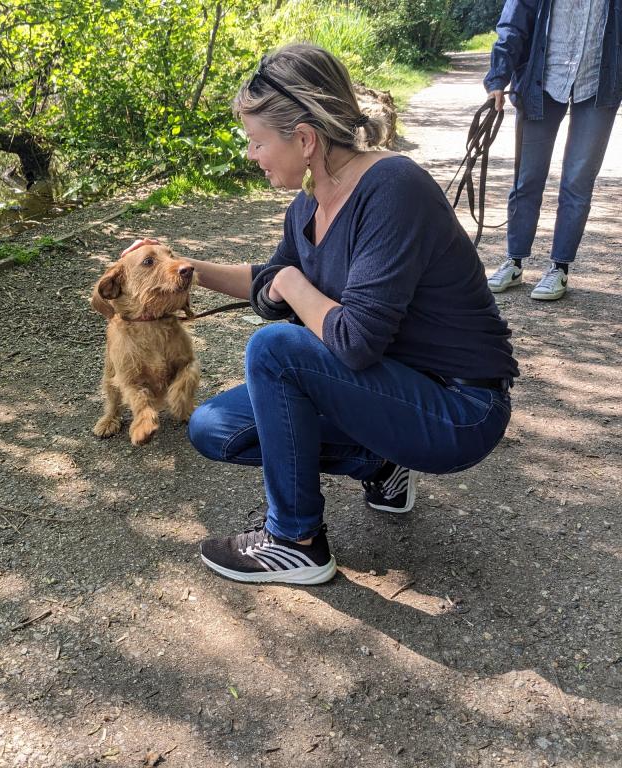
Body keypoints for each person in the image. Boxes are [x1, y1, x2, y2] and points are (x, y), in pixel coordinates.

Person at [125, 43, 518, 585]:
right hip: (387, 387)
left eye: (257, 141)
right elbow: (269, 279)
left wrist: (290, 284)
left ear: (305, 139)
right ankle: (382, 463)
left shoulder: (392, 190)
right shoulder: (308, 205)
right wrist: (188, 268)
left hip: (458, 407)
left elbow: (352, 339)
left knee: (274, 350)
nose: (251, 155)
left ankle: (295, 541)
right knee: (215, 428)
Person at [484, 0, 621, 301]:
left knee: (578, 182)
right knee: (527, 179)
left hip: (599, 86)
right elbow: (513, 24)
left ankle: (559, 267)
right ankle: (514, 261)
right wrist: (498, 77)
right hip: (540, 83)